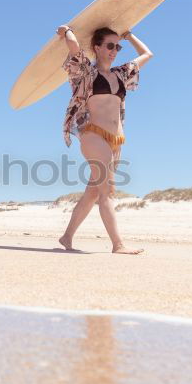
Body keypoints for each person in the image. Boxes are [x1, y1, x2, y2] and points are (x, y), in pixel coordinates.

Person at [55, 24, 152, 254]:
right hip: (93, 134)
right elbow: (74, 48)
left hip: (116, 139)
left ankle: (66, 237)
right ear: (97, 48)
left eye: (117, 46)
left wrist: (128, 35)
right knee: (107, 190)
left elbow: (147, 54)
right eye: (110, 45)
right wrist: (66, 31)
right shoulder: (87, 72)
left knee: (93, 191)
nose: (115, 50)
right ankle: (118, 244)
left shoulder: (121, 73)